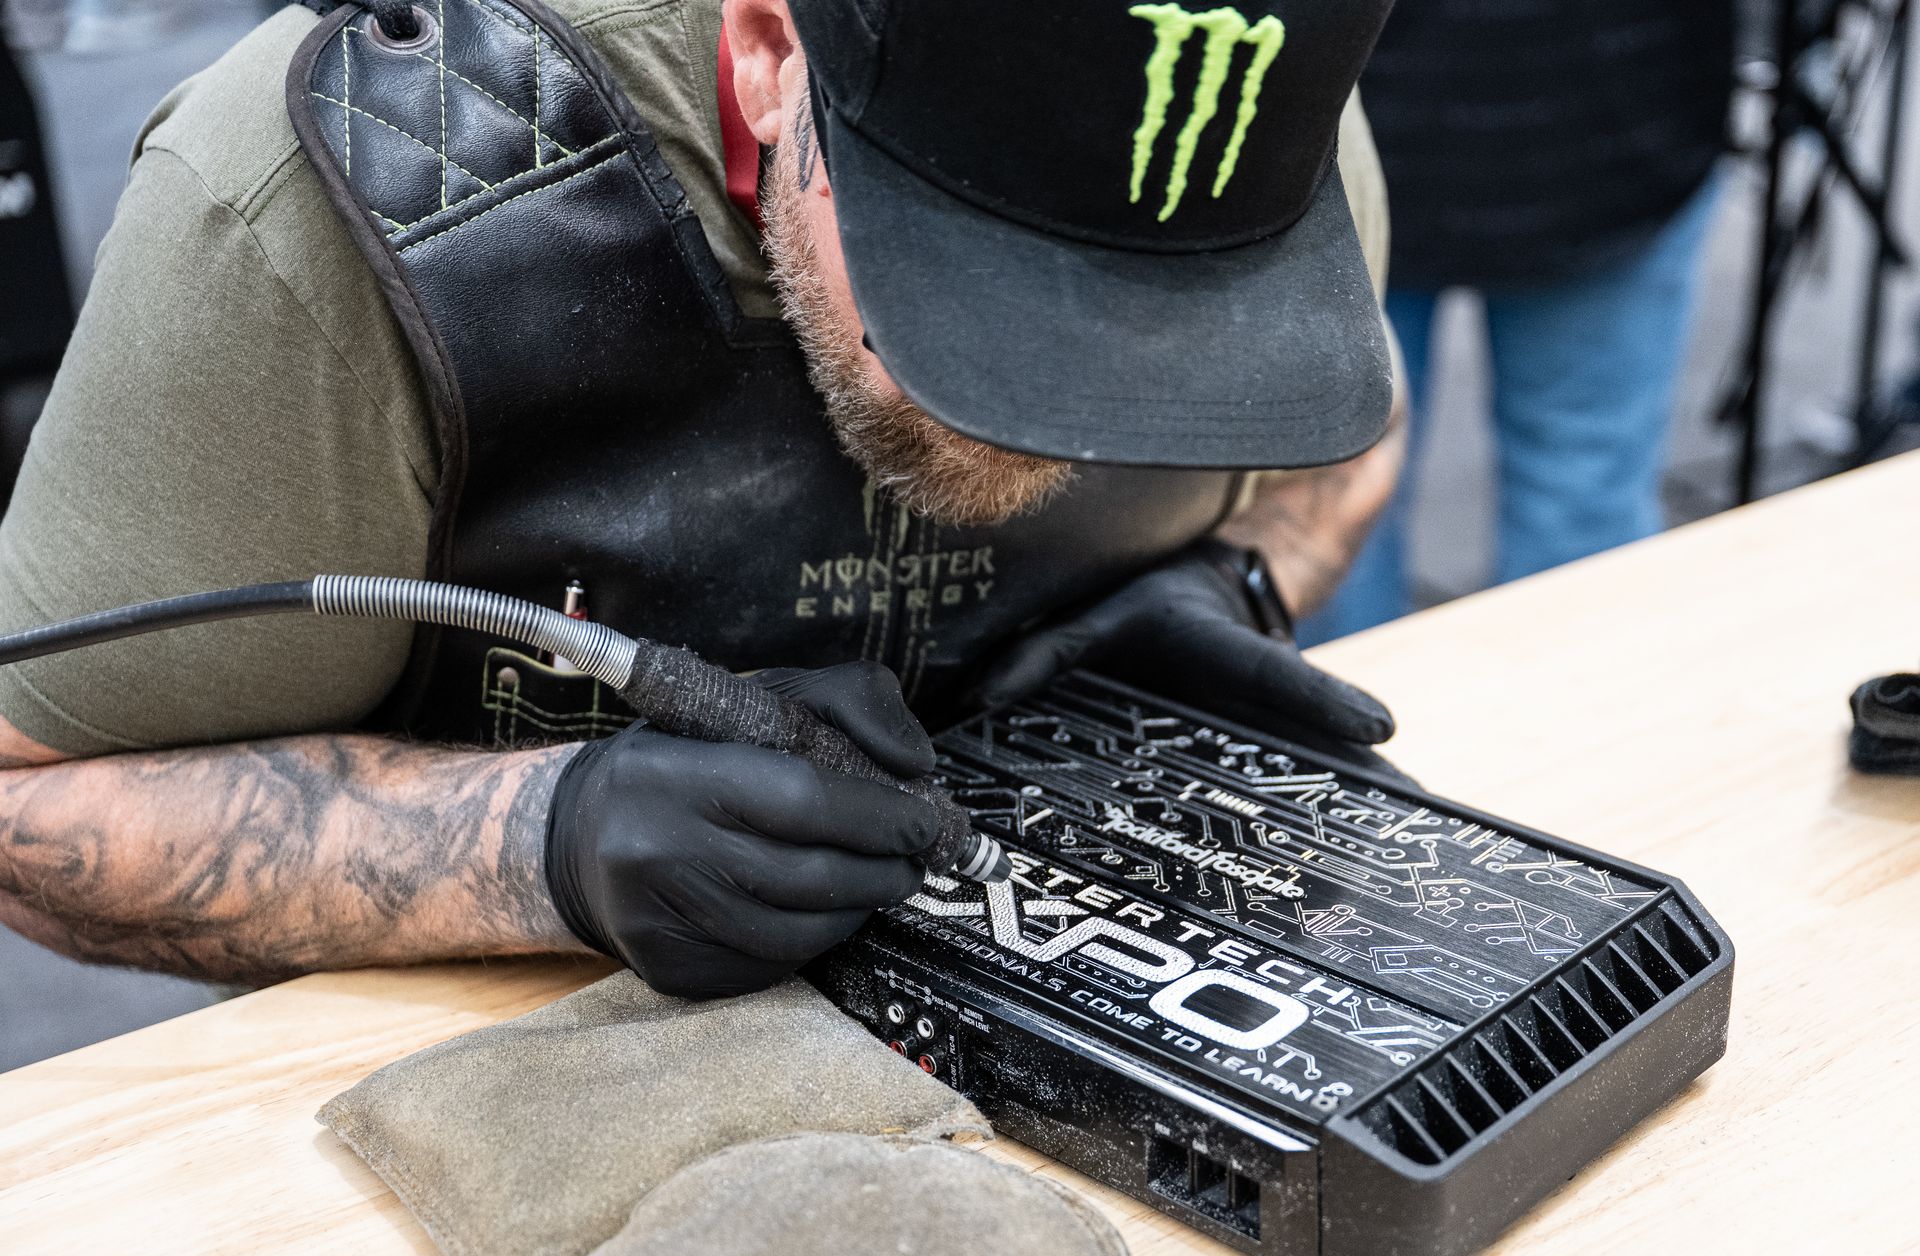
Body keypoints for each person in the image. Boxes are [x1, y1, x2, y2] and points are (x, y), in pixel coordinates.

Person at [0, 0, 1405, 999]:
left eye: (1158, 326)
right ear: (770, 53)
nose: (1037, 403)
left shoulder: (1250, 119)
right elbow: (23, 809)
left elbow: (1353, 447)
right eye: (980, 296)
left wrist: (1233, 584)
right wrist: (533, 843)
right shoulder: (334, 207)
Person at [1305, 0, 1735, 640]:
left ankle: (1332, 701)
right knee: (1579, 492)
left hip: (1346, 109)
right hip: (1613, 112)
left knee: (1328, 504)